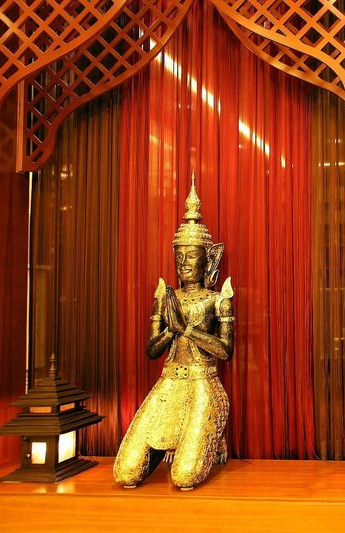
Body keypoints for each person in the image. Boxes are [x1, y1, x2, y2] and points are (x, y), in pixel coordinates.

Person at [114, 173, 234, 490]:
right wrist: (170, 332)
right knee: (125, 473)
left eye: (191, 255)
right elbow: (152, 351)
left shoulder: (217, 299)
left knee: (184, 476)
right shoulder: (166, 297)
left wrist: (187, 330)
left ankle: (204, 440)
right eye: (179, 256)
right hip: (169, 383)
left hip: (203, 383)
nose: (183, 263)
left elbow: (226, 351)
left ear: (208, 260)